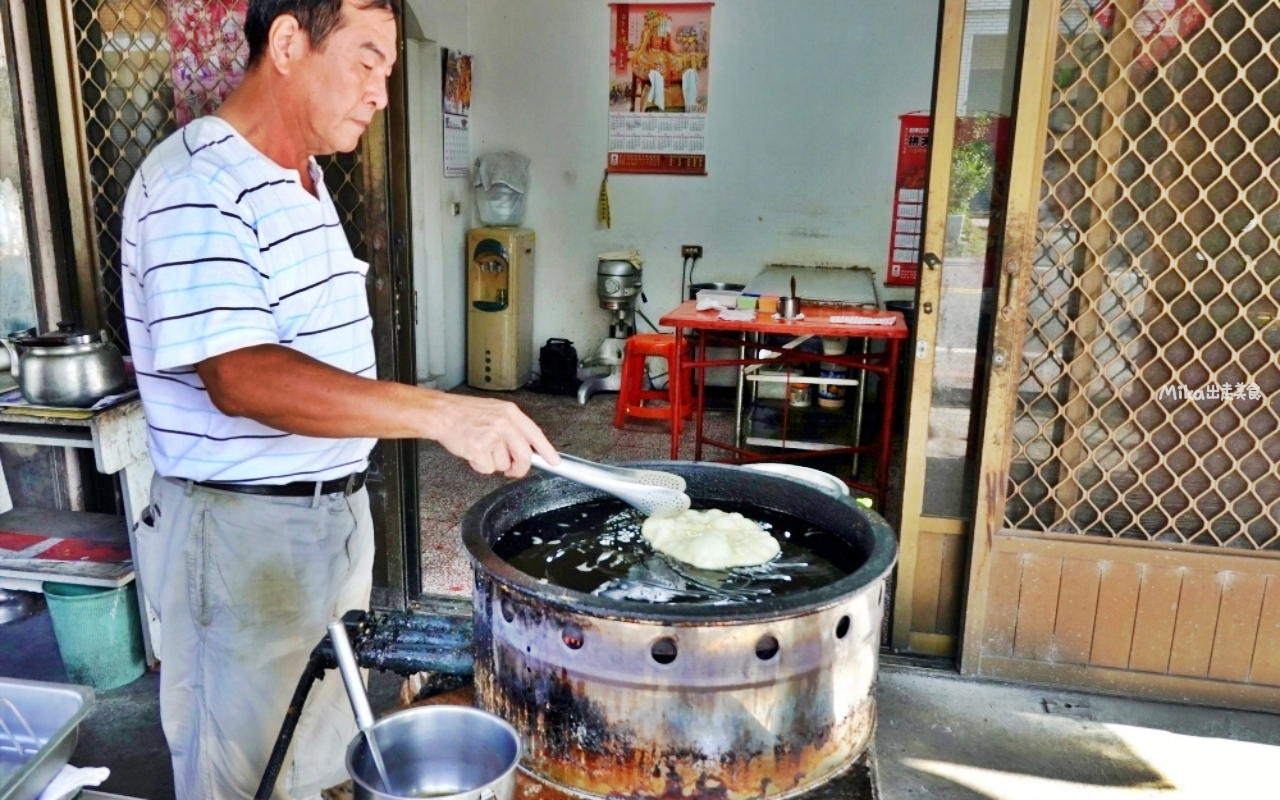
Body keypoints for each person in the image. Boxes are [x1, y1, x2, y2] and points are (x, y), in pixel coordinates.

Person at [119, 2, 559, 798]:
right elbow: (241, 377)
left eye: (387, 71)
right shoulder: (198, 182)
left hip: (323, 525)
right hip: (242, 540)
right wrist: (443, 412)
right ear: (288, 43)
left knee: (322, 760)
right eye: (365, 61)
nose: (381, 92)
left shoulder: (304, 181)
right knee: (246, 771)